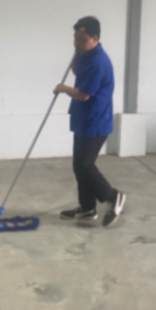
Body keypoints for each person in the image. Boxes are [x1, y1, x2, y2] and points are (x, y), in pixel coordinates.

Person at [53, 16, 126, 227]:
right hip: (84, 119)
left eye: (82, 39)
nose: (77, 42)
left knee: (85, 165)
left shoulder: (98, 62)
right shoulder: (86, 54)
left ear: (95, 38)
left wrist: (63, 88)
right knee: (79, 166)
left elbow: (84, 94)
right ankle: (87, 208)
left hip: (95, 122)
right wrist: (77, 53)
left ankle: (113, 197)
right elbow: (78, 73)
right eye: (75, 38)